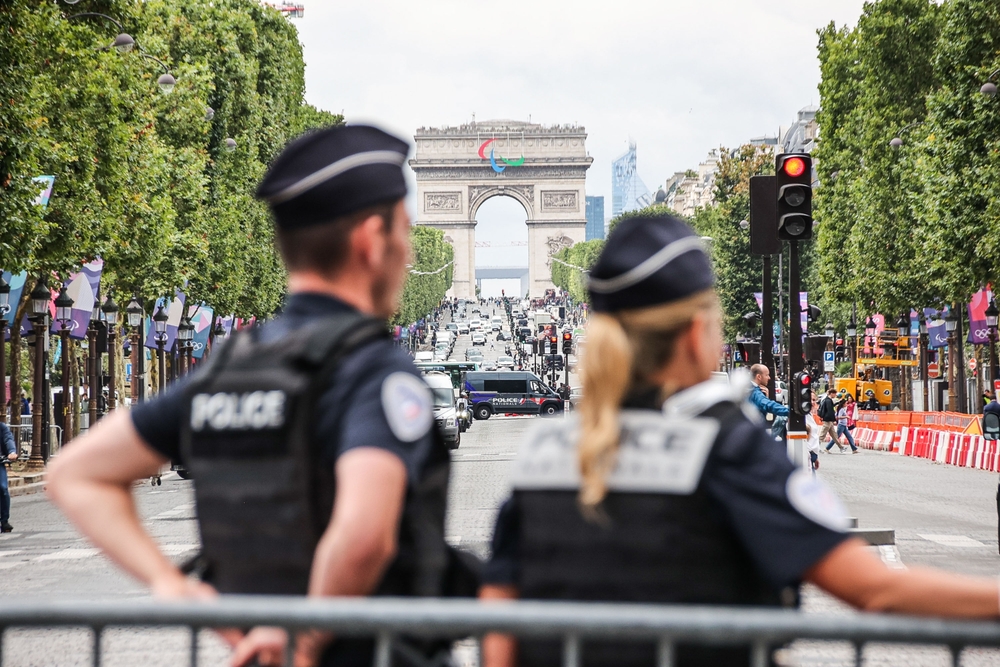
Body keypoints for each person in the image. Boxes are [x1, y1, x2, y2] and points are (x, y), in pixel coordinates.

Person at [477, 213, 1000, 667]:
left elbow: (498, 624)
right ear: (693, 333)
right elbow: (875, 588)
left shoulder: (543, 453)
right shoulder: (724, 446)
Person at [48, 125, 468, 667]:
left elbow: (74, 474)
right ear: (370, 240)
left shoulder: (227, 367)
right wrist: (305, 640)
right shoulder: (372, 372)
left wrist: (175, 588)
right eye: (406, 232)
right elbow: (364, 535)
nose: (409, 252)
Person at [0, 420, 17, 532]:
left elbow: (8, 439)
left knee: (2, 487)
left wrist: (11, 451)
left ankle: (4, 520)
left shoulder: (1, 427)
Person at [819, 388, 844, 453]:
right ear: (832, 393)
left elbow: (830, 407)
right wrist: (834, 420)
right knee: (822, 435)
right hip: (828, 420)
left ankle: (841, 447)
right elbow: (830, 411)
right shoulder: (828, 400)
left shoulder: (827, 400)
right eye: (835, 394)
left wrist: (837, 403)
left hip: (828, 420)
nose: (835, 395)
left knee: (834, 435)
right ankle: (816, 447)